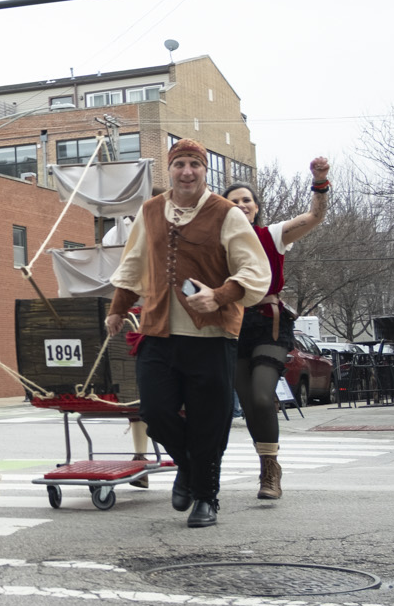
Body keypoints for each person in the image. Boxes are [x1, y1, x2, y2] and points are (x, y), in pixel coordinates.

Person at [104, 141, 270, 529]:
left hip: (212, 335)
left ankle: (206, 498)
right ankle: (190, 468)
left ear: (205, 170)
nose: (187, 171)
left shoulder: (227, 213)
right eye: (179, 164)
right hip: (158, 329)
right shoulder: (150, 210)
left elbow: (254, 269)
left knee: (209, 421)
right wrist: (117, 308)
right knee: (155, 412)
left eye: (195, 164)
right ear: (170, 169)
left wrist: (220, 295)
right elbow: (134, 262)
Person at [224, 157, 332, 502]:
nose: (241, 205)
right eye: (233, 201)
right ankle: (264, 463)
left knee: (260, 395)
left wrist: (320, 181)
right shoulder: (216, 244)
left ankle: (271, 469)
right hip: (232, 323)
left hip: (268, 323)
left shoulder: (271, 235)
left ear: (256, 207)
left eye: (247, 200)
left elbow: (315, 216)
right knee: (247, 402)